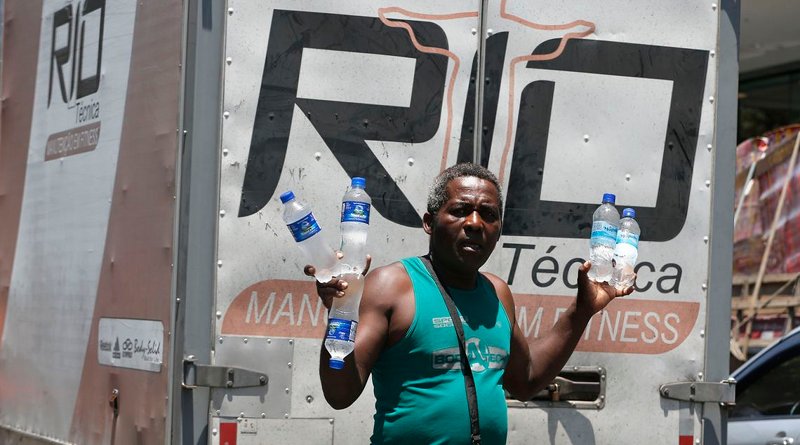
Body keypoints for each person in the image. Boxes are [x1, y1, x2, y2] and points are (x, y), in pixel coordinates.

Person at [304, 162, 634, 444]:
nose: (475, 223)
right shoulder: (392, 286)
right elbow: (340, 393)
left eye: (488, 214)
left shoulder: (497, 293)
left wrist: (582, 310)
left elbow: (525, 379)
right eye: (461, 210)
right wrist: (340, 313)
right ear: (429, 223)